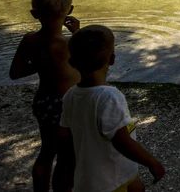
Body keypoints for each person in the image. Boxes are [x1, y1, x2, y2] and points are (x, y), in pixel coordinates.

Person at [59, 25, 165, 192]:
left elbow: (65, 137)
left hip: (98, 174)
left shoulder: (70, 95)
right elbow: (122, 141)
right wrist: (151, 162)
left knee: (138, 187)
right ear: (113, 59)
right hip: (110, 180)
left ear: (72, 63)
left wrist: (68, 172)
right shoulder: (109, 97)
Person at [9, 0, 81, 192]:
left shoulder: (30, 40)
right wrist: (77, 33)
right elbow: (89, 65)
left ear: (34, 13)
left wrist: (40, 64)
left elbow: (15, 73)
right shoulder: (70, 43)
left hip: (44, 102)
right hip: (66, 106)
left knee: (47, 151)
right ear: (70, 10)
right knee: (68, 157)